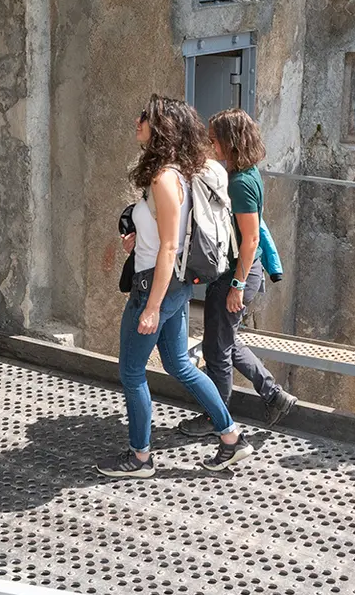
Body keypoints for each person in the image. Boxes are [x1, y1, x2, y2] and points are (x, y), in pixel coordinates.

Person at [98, 96, 254, 477]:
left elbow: (170, 245)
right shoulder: (179, 173)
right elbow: (168, 235)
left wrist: (151, 307)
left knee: (132, 372)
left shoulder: (165, 177)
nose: (137, 121)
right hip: (174, 285)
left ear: (162, 128)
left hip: (156, 286)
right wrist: (138, 238)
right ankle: (231, 438)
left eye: (145, 118)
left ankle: (139, 458)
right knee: (179, 363)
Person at [180, 109, 296, 435]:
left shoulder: (243, 183)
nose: (211, 144)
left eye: (215, 139)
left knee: (217, 351)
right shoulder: (243, 173)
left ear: (230, 142)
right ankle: (274, 395)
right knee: (225, 343)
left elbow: (251, 238)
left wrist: (237, 285)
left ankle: (216, 418)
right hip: (236, 271)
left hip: (236, 273)